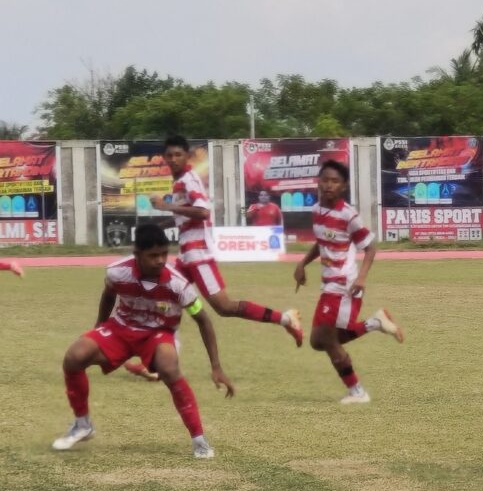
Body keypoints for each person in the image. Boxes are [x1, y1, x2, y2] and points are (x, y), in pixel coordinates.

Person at [51, 224, 234, 459]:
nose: (159, 260)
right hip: (120, 329)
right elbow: (108, 295)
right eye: (152, 255)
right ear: (137, 254)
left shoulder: (179, 284)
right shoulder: (116, 272)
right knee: (74, 357)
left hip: (158, 333)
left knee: (169, 367)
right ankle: (82, 424)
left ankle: (199, 439)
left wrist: (216, 367)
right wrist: (98, 328)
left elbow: (203, 320)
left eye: (163, 254)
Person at [149, 136, 302, 347]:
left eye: (178, 155)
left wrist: (166, 207)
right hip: (187, 255)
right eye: (169, 155)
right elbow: (186, 217)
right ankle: (159, 358)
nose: (173, 159)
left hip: (199, 253)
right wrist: (159, 226)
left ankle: (286, 319)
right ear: (164, 158)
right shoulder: (179, 181)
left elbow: (202, 212)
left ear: (187, 156)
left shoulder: (188, 180)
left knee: (224, 307)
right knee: (166, 298)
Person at [294, 160, 404, 404]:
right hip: (328, 285)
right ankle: (376, 323)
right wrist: (302, 263)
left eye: (335, 181)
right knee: (318, 341)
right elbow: (321, 242)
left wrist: (362, 278)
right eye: (325, 180)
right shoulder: (316, 211)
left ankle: (357, 391)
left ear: (343, 187)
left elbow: (370, 248)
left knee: (326, 340)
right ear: (319, 182)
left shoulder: (348, 215)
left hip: (345, 285)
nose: (329, 185)